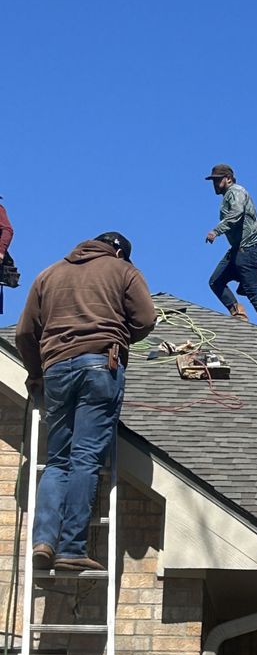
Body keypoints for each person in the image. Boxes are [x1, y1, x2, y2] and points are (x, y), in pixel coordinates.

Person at [15, 233, 156, 572]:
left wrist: (36, 373)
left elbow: (23, 333)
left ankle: (44, 541)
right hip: (99, 364)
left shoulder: (49, 274)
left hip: (56, 370)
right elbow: (146, 319)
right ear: (120, 251)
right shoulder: (122, 270)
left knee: (58, 460)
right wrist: (118, 331)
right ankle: (71, 548)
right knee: (85, 457)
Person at [205, 163, 257, 332]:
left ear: (228, 179)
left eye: (217, 180)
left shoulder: (236, 192)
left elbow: (236, 214)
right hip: (238, 250)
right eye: (213, 181)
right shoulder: (228, 195)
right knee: (216, 281)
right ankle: (238, 313)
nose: (214, 184)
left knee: (253, 291)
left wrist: (216, 231)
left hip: (249, 249)